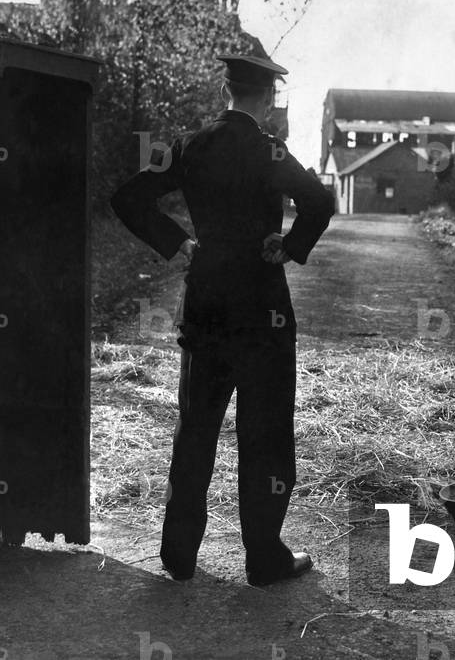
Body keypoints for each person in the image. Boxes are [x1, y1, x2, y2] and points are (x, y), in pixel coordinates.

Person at [109, 53, 335, 586]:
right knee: (266, 433)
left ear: (225, 90)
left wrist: (180, 243)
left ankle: (179, 556)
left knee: (196, 428)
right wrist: (290, 245)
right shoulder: (270, 149)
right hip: (263, 309)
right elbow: (319, 201)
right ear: (268, 99)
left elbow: (128, 198)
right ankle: (263, 558)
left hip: (206, 300)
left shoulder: (190, 145)